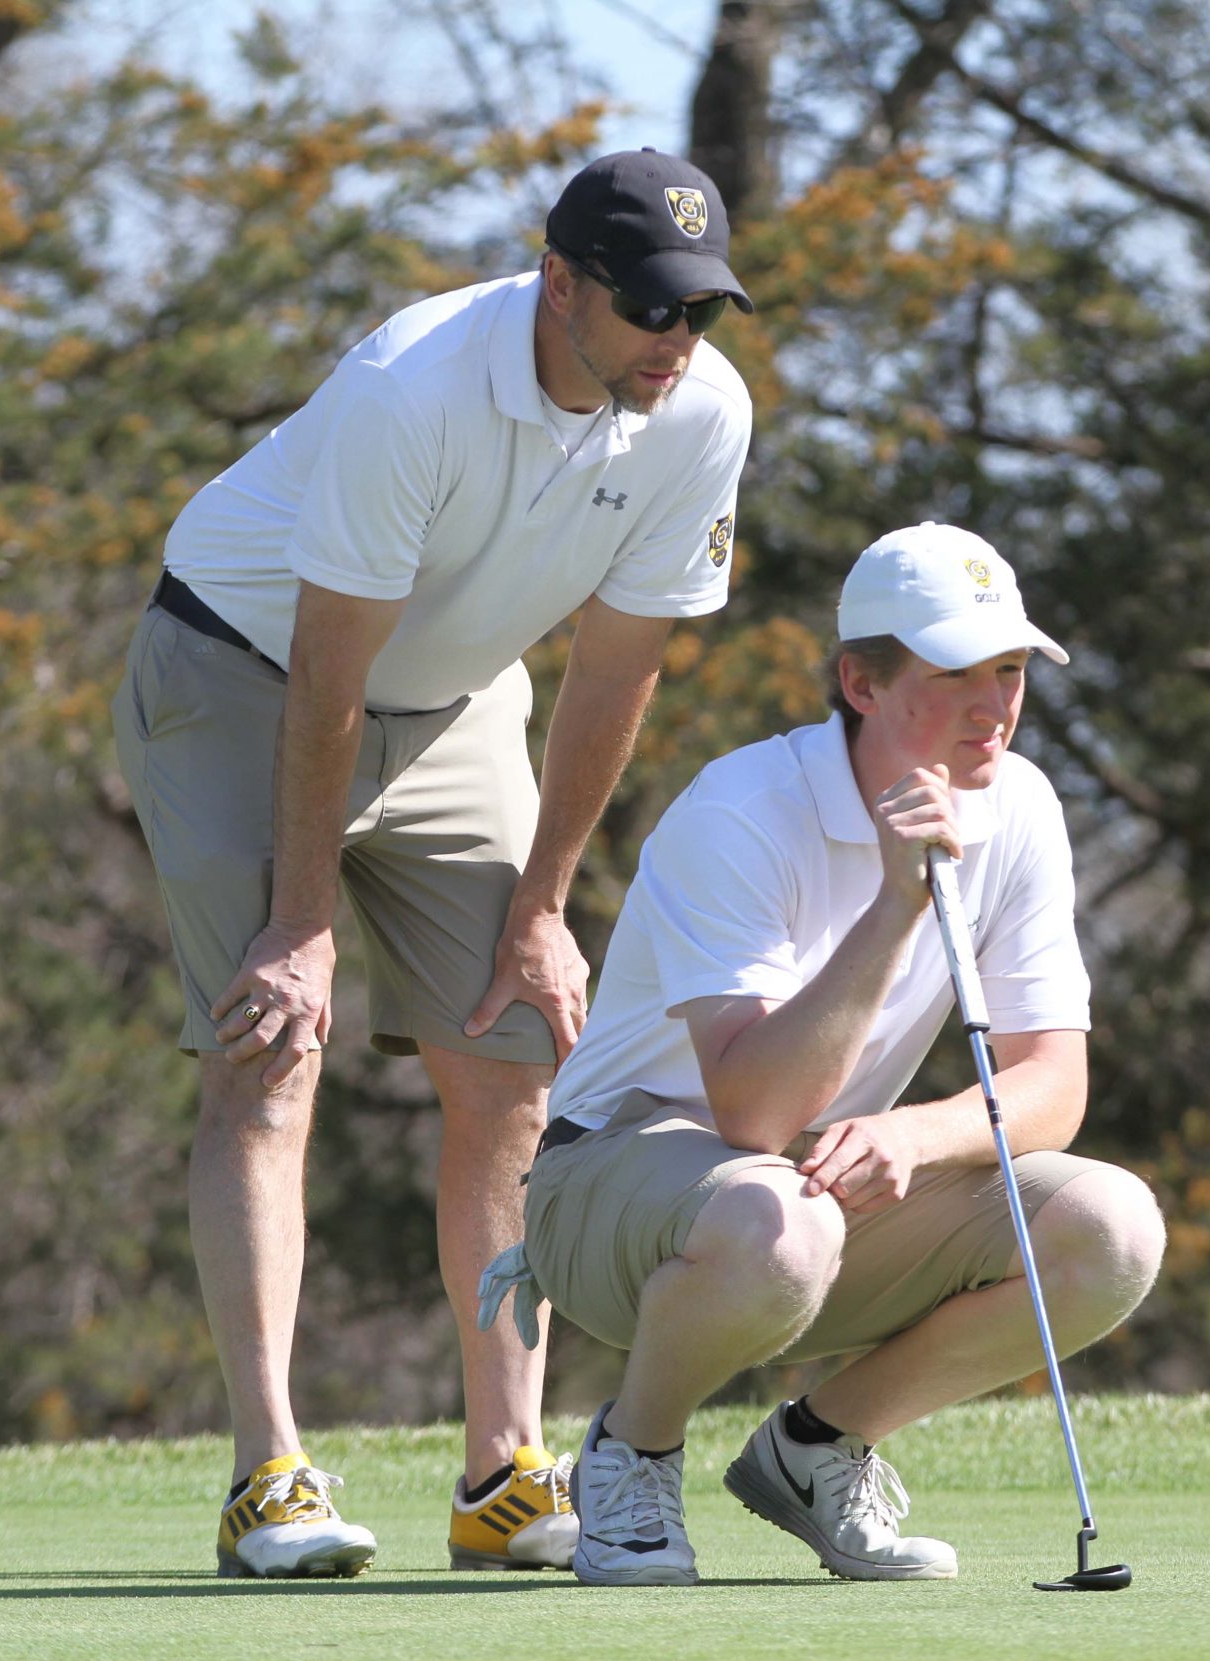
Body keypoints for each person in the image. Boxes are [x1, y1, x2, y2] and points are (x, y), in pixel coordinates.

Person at [111, 149, 755, 1578]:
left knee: (518, 1049)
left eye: (698, 313)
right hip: (244, 669)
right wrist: (300, 918)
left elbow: (614, 669)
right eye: (649, 310)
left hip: (458, 697)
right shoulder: (416, 386)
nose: (676, 343)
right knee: (268, 1044)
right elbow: (328, 667)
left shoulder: (700, 411)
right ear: (561, 283)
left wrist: (542, 908)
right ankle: (265, 1469)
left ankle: (500, 1474)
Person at [478, 522, 1168, 1586]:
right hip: (606, 1188)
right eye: (955, 676)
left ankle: (816, 1449)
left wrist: (913, 1135)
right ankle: (631, 1453)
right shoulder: (743, 809)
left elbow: (1052, 1082)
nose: (995, 706)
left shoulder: (1020, 805)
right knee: (773, 1221)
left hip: (810, 1192)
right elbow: (751, 1109)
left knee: (1110, 1229)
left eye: (1011, 670)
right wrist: (898, 901)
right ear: (861, 681)